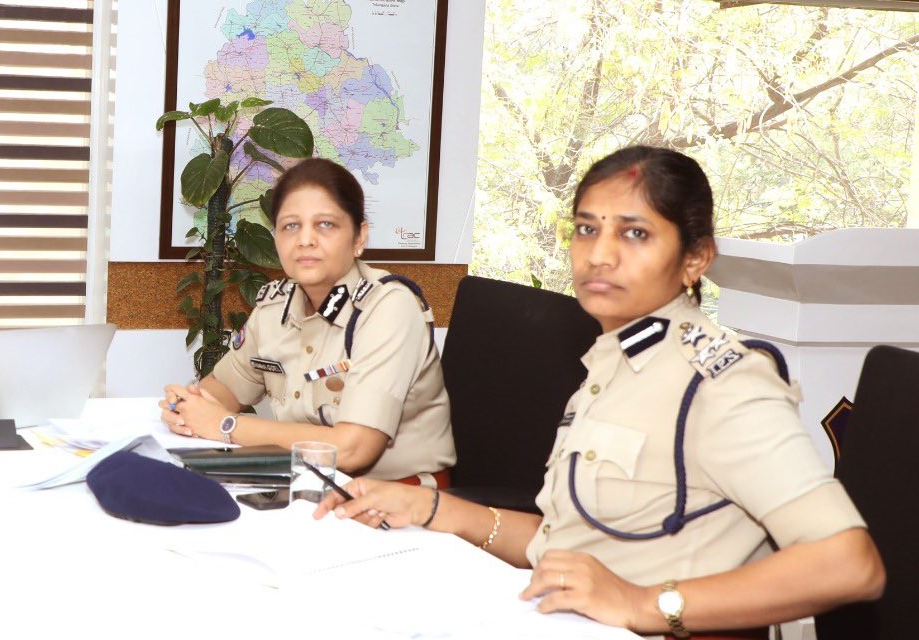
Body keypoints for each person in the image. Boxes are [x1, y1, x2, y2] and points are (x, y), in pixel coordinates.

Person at [314, 146, 884, 638]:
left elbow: (849, 565)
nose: (599, 254)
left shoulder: (721, 384)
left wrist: (644, 602)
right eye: (588, 228)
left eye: (635, 233)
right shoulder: (612, 362)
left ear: (696, 258)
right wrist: (433, 507)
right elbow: (572, 547)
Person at [159, 158, 456, 485]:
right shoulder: (274, 306)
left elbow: (354, 449)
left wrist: (224, 425)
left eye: (326, 224)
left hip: (399, 497)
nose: (305, 240)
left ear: (359, 238)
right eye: (290, 226)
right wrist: (187, 410)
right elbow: (221, 392)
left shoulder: (388, 308)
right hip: (307, 481)